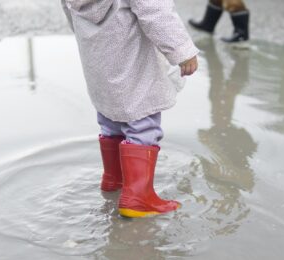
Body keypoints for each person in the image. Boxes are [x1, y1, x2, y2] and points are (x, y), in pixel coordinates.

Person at [61, 0, 199, 218]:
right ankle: (137, 198)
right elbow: (156, 11)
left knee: (110, 118)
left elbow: (71, 14)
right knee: (142, 121)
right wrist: (182, 51)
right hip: (132, 59)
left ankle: (114, 179)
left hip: (99, 59)